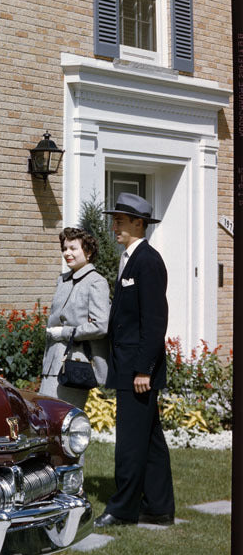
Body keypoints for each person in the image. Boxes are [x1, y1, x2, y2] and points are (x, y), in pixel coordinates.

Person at [94, 192, 175, 528]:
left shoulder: (148, 261)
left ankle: (123, 509)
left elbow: (155, 322)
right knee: (150, 440)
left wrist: (144, 369)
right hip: (128, 366)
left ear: (138, 223)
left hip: (138, 371)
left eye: (120, 220)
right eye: (114, 219)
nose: (114, 226)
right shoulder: (130, 259)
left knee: (130, 441)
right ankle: (158, 507)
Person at [38, 227, 110, 408]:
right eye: (64, 248)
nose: (67, 253)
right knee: (46, 418)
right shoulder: (62, 280)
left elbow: (100, 326)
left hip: (75, 365)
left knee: (62, 421)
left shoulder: (96, 282)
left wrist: (65, 332)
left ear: (88, 251)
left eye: (73, 248)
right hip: (52, 363)